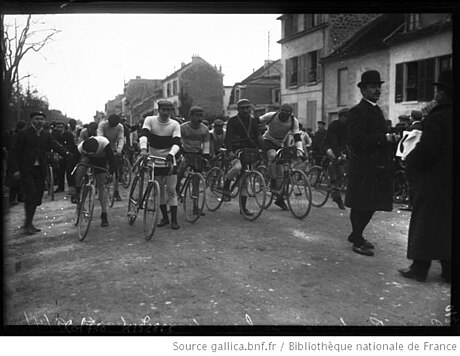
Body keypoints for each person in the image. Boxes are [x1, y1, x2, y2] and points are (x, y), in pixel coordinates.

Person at [398, 69, 452, 283]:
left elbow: (427, 150)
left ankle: (419, 268)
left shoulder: (436, 118)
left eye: (438, 90)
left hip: (433, 180)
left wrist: (409, 161)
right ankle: (449, 270)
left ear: (443, 93)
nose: (435, 94)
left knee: (425, 221)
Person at [345, 70, 396, 257]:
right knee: (361, 203)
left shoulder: (376, 110)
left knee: (371, 203)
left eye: (379, 86)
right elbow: (356, 140)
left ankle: (355, 234)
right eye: (373, 87)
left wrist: (389, 138)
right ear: (363, 90)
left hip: (376, 166)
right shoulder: (358, 111)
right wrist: (385, 137)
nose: (377, 90)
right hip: (364, 166)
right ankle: (357, 239)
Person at [9, 111, 73, 235]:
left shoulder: (45, 135)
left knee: (38, 197)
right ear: (31, 120)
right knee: (31, 194)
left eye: (41, 119)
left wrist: (68, 154)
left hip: (40, 170)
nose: (39, 121)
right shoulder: (24, 134)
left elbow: (56, 145)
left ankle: (29, 223)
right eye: (36, 119)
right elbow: (14, 152)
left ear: (44, 121)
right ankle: (28, 224)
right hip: (26, 170)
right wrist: (16, 169)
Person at [139, 100, 181, 230]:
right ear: (159, 109)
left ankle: (174, 219)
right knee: (160, 190)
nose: (166, 112)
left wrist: (171, 154)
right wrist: (144, 149)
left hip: (168, 160)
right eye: (164, 110)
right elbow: (144, 135)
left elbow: (176, 142)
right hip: (154, 160)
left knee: (172, 191)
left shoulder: (174, 124)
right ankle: (165, 217)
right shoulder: (150, 120)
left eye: (169, 110)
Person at [259, 103, 304, 211]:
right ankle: (273, 182)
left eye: (287, 115)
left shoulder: (294, 121)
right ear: (279, 112)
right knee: (273, 156)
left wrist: (300, 150)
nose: (284, 117)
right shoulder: (271, 116)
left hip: (280, 143)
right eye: (282, 114)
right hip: (268, 140)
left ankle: (280, 197)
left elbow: (297, 137)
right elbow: (257, 120)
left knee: (282, 170)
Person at [222, 98, 262, 215]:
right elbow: (228, 137)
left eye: (247, 108)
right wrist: (229, 150)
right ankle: (226, 185)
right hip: (235, 150)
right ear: (238, 109)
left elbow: (256, 137)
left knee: (246, 180)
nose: (245, 110)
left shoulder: (253, 121)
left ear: (250, 108)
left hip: (248, 151)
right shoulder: (232, 121)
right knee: (237, 167)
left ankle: (243, 208)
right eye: (242, 108)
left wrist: (259, 149)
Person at [74, 136, 116, 227]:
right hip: (86, 159)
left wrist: (110, 174)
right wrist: (73, 184)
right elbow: (72, 163)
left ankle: (104, 214)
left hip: (100, 160)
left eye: (92, 153)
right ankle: (77, 190)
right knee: (80, 168)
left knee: (102, 185)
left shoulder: (104, 143)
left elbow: (112, 161)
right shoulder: (80, 147)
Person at [176, 106, 210, 216]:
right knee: (181, 170)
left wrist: (206, 156)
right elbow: (178, 141)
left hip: (197, 155)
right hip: (185, 153)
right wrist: (181, 151)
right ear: (190, 116)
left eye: (201, 116)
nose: (199, 118)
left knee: (196, 181)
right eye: (197, 116)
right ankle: (177, 187)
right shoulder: (182, 127)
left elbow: (206, 145)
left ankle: (196, 206)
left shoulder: (204, 129)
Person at [323, 107, 350, 209]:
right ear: (341, 117)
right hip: (328, 146)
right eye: (347, 117)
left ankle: (337, 187)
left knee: (345, 166)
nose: (348, 119)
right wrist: (339, 155)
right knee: (334, 159)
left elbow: (348, 141)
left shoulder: (348, 126)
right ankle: (334, 183)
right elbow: (333, 141)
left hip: (340, 148)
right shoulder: (333, 125)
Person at [97, 114, 124, 201]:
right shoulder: (102, 125)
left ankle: (116, 192)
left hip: (112, 148)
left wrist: (119, 149)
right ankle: (100, 188)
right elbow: (100, 137)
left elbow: (121, 138)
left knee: (116, 169)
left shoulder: (120, 127)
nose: (113, 126)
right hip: (102, 147)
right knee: (100, 169)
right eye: (112, 124)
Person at [52, 122, 78, 193]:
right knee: (60, 171)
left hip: (69, 155)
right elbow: (53, 145)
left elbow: (72, 145)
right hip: (59, 155)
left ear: (64, 127)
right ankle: (60, 187)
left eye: (61, 127)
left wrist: (64, 151)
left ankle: (71, 187)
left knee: (69, 171)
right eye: (58, 127)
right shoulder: (54, 135)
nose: (59, 129)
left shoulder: (69, 135)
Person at [6, 120, 26, 205]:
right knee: (14, 181)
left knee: (20, 180)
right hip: (15, 160)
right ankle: (12, 199)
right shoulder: (15, 136)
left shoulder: (19, 135)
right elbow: (12, 150)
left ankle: (20, 197)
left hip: (20, 160)